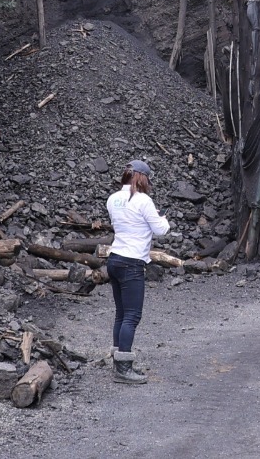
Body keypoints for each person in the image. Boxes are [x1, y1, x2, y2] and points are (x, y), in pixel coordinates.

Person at [104, 159, 170, 384]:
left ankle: (116, 359)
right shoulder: (144, 201)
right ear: (142, 178)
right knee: (132, 316)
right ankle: (123, 368)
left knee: (121, 314)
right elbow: (160, 230)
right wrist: (163, 218)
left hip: (114, 259)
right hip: (132, 263)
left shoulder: (112, 199)